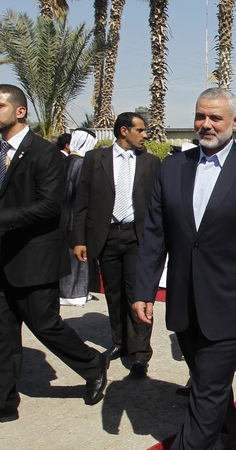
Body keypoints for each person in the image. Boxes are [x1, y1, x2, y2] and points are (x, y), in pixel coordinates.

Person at [133, 88, 236, 449]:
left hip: (233, 302)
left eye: (215, 118)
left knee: (208, 390)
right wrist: (144, 289)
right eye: (200, 116)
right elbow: (155, 234)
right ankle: (228, 443)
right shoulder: (173, 167)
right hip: (185, 301)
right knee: (206, 382)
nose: (206, 124)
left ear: (234, 122)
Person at [0, 84, 108, 422]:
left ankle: (92, 365)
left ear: (20, 111)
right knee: (3, 334)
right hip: (1, 258)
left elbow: (49, 206)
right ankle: (5, 402)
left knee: (45, 325)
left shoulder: (44, 154)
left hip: (33, 257)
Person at [73, 112, 161, 377]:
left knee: (138, 294)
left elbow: (158, 205)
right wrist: (79, 239)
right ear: (124, 131)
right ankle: (120, 343)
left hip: (137, 237)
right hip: (106, 236)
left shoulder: (151, 162)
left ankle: (140, 354)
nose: (145, 134)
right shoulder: (94, 159)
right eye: (141, 130)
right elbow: (82, 201)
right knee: (113, 294)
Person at [59, 129, 98, 307]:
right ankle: (76, 293)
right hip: (77, 217)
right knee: (79, 259)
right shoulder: (82, 164)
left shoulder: (65, 161)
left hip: (62, 217)